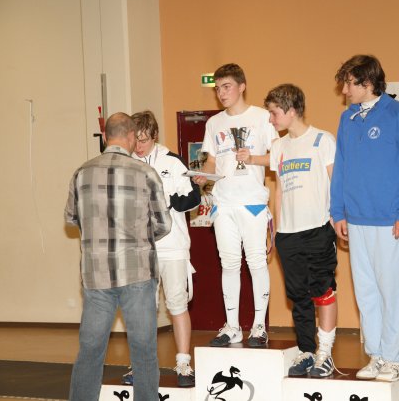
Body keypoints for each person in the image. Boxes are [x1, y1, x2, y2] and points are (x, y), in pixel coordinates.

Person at [330, 54, 399, 382]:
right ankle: (377, 354)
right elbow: (341, 166)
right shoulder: (347, 118)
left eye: (349, 84)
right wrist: (337, 211)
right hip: (356, 219)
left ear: (367, 82)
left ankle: (396, 359)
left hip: (390, 221)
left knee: (392, 291)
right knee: (366, 291)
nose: (344, 90)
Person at [65, 113, 171, 401]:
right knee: (144, 351)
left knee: (90, 351)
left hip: (96, 274)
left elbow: (71, 218)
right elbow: (163, 224)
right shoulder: (146, 173)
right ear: (131, 136)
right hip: (138, 273)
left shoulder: (81, 173)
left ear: (106, 136)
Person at [120, 110, 205, 387]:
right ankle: (141, 366)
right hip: (140, 250)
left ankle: (183, 364)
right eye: (135, 139)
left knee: (177, 304)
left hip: (173, 247)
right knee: (143, 310)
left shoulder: (172, 161)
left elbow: (192, 199)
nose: (139, 145)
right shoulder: (125, 164)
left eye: (144, 139)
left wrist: (165, 198)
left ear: (154, 136)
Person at [200, 63, 279, 347]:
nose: (221, 93)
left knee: (256, 262)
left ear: (242, 86)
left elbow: (278, 156)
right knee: (229, 264)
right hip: (223, 203)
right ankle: (232, 326)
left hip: (252, 202)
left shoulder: (262, 117)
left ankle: (258, 326)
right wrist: (202, 177)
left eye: (227, 86)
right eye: (217, 88)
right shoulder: (214, 123)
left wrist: (253, 158)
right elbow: (212, 161)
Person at [265, 84, 339, 377]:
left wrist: (337, 219)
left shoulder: (323, 140)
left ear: (292, 110)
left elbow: (336, 184)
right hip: (289, 234)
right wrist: (276, 230)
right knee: (298, 296)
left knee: (323, 290)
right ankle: (307, 351)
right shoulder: (278, 146)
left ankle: (325, 353)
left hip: (318, 229)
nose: (271, 119)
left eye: (274, 113)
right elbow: (279, 191)